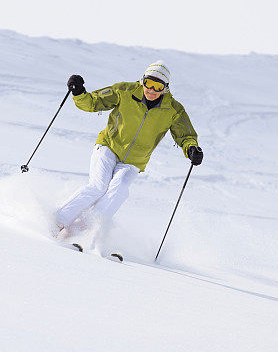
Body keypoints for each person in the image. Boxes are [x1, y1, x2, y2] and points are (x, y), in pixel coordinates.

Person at [54, 61, 202, 239]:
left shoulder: (173, 110)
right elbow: (93, 102)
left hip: (134, 161)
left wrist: (192, 149)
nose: (152, 90)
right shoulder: (124, 91)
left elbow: (186, 135)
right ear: (142, 81)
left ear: (166, 88)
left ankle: (81, 231)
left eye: (158, 86)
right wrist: (79, 93)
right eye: (149, 83)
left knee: (119, 190)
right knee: (98, 186)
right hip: (108, 146)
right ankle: (57, 222)